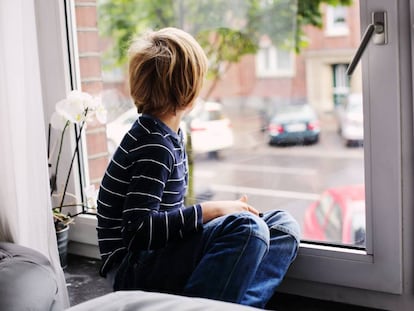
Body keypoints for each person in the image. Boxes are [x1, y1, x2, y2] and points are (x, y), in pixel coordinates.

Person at [96, 27, 300, 309]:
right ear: (189, 92)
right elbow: (138, 232)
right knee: (249, 228)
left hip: (156, 256)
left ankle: (236, 306)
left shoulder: (167, 134)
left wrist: (218, 217)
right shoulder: (154, 145)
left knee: (283, 226)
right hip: (132, 271)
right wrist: (213, 210)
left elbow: (167, 218)